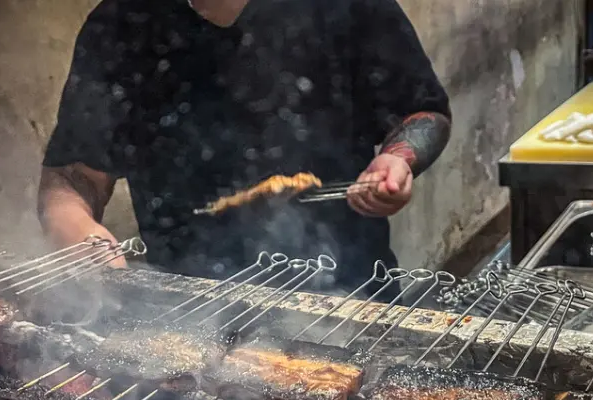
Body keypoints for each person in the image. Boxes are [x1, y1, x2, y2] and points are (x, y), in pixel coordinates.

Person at [39, 0, 451, 293]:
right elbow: (74, 177)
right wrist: (78, 230)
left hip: (349, 289)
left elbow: (423, 113)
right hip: (188, 301)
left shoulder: (348, 7)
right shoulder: (121, 24)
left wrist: (396, 159)